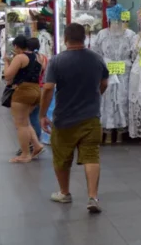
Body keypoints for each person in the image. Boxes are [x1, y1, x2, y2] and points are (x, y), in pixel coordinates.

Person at [40, 23, 108, 213]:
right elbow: (104, 83)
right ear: (85, 38)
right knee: (91, 156)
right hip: (91, 117)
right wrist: (95, 96)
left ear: (65, 38)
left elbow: (47, 89)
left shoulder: (57, 61)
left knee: (61, 157)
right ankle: (93, 197)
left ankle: (64, 193)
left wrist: (43, 114)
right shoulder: (96, 59)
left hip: (64, 118)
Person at [4, 35, 44, 163]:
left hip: (23, 92)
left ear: (16, 46)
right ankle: (37, 145)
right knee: (25, 121)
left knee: (20, 124)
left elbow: (8, 76)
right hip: (36, 91)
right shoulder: (38, 57)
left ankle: (25, 154)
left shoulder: (20, 57)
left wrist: (6, 63)